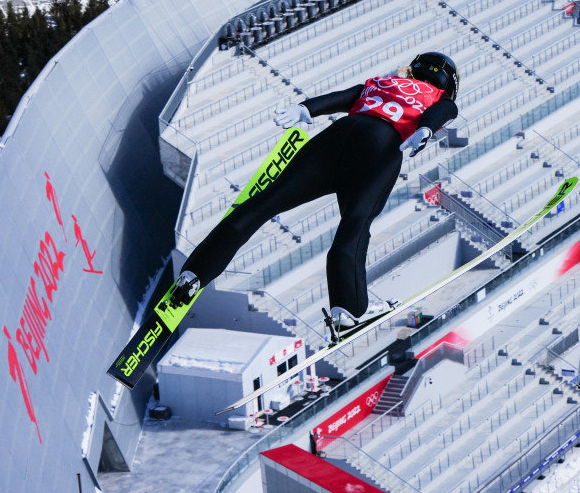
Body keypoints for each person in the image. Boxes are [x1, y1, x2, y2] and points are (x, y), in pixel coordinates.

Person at [164, 52, 460, 331]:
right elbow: (444, 111)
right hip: (381, 147)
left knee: (265, 202)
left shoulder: (383, 82)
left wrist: (305, 108)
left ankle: (193, 274)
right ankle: (347, 310)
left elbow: (345, 97)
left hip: (338, 135)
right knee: (354, 227)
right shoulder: (439, 98)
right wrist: (425, 131)